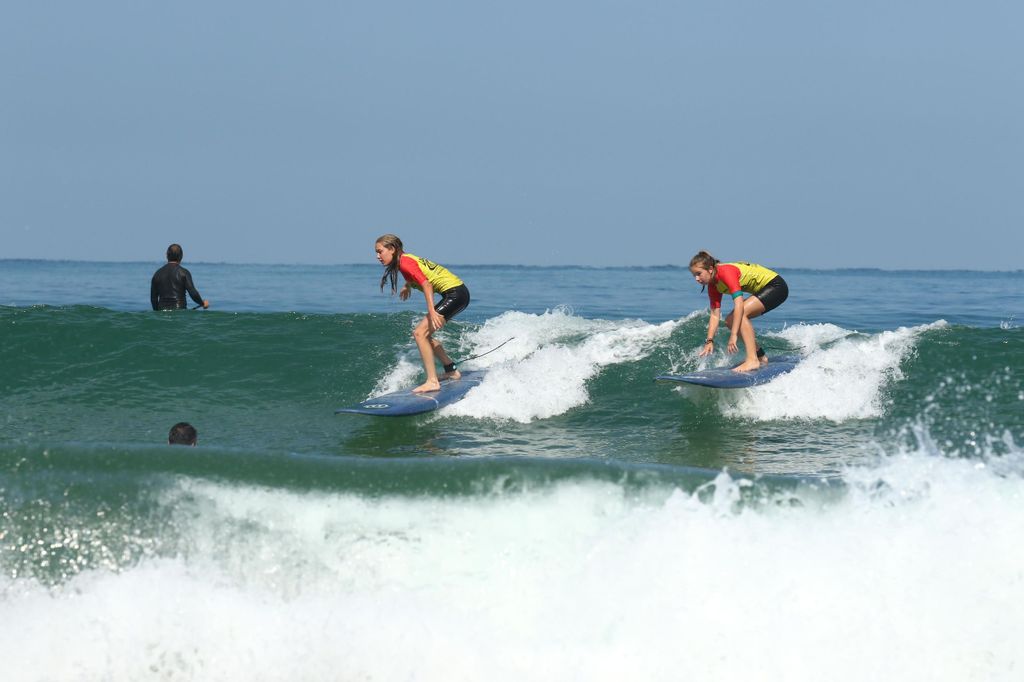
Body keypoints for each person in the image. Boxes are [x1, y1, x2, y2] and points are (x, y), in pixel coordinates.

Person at [375, 234, 471, 393]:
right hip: (458, 293)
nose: (378, 256)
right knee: (424, 335)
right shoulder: (405, 259)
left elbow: (426, 284)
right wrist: (408, 285)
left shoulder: (405, 263)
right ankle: (451, 370)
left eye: (380, 251)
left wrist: (431, 311)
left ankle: (432, 381)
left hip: (455, 294)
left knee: (419, 333)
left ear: (392, 249)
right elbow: (418, 273)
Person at [689, 251, 789, 372]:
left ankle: (752, 360)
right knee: (730, 320)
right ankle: (760, 357)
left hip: (776, 286)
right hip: (768, 289)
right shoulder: (713, 286)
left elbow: (739, 304)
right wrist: (709, 341)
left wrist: (734, 335)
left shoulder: (726, 272)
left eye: (699, 274)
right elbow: (715, 315)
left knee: (736, 316)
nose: (696, 279)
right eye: (694, 275)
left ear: (710, 269)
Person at [151, 244, 209, 311]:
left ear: (167, 255)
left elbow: (153, 299)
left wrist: (157, 313)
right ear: (181, 256)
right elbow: (193, 293)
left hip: (162, 313)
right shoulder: (184, 273)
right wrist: (202, 303)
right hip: (179, 313)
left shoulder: (157, 274)